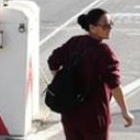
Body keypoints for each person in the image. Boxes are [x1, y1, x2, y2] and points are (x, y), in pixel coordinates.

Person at [48, 8, 134, 139]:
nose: (110, 28)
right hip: (94, 116)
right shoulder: (103, 52)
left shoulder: (74, 42)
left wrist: (63, 81)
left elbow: (52, 61)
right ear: (92, 28)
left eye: (111, 24)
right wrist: (125, 111)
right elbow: (115, 85)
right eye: (105, 26)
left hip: (70, 114)